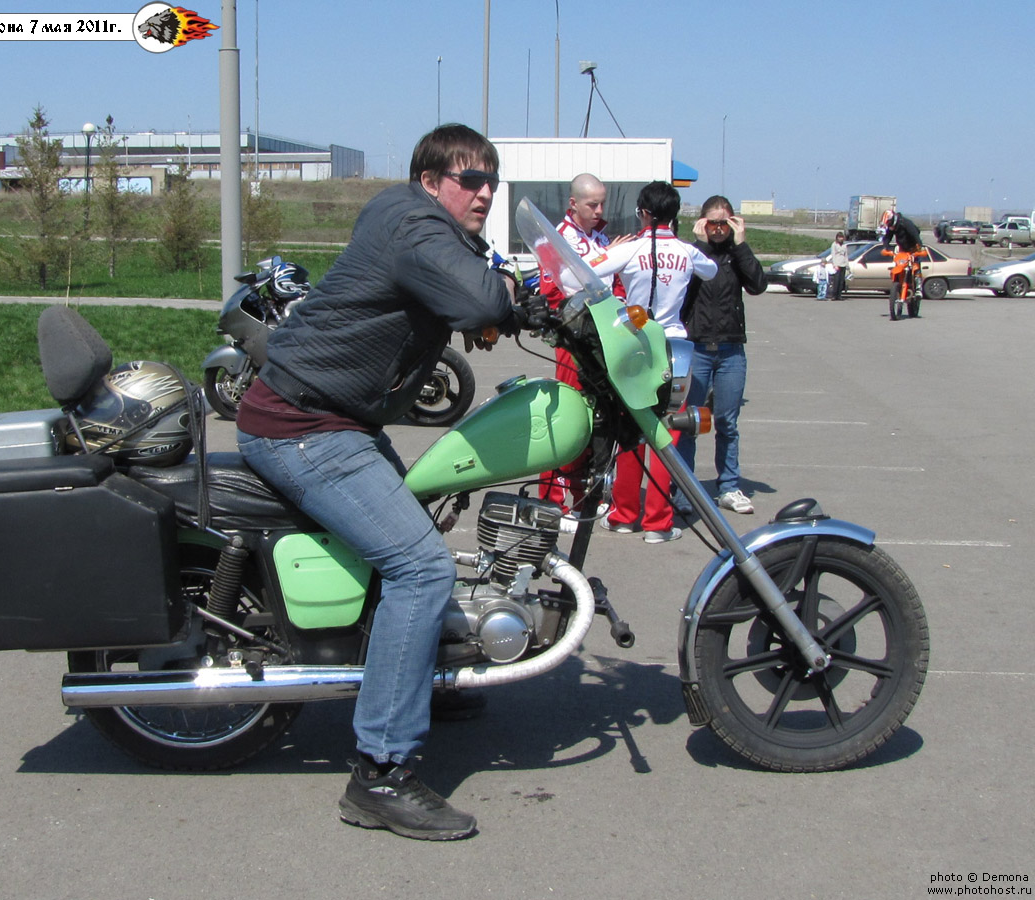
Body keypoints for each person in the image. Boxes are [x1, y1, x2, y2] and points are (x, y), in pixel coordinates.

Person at [235, 124, 524, 841]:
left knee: (416, 535)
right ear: (431, 181)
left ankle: (421, 674)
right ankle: (381, 773)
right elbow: (482, 304)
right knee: (421, 568)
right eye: (469, 178)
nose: (484, 192)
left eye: (491, 180)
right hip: (303, 427)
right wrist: (509, 294)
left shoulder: (422, 223)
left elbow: (470, 291)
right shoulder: (413, 222)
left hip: (335, 419)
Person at [586, 181, 718, 542]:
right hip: (674, 347)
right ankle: (659, 523)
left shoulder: (631, 249)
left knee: (630, 430)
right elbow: (711, 271)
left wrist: (606, 253)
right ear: (674, 214)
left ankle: (624, 514)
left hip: (636, 345)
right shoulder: (687, 252)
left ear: (643, 213)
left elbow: (585, 269)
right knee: (667, 433)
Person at [536, 173, 630, 520]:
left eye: (603, 203)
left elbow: (616, 287)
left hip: (605, 338)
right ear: (573, 203)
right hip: (574, 340)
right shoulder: (555, 239)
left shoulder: (602, 238)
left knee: (600, 420)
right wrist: (605, 258)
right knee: (569, 419)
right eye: (593, 204)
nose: (599, 210)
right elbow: (554, 293)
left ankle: (587, 493)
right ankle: (555, 501)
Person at [677, 195, 768, 516]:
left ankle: (729, 486)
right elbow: (682, 290)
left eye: (724, 223)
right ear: (702, 223)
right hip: (697, 348)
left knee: (727, 422)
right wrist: (700, 246)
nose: (718, 229)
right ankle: (684, 490)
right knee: (690, 422)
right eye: (712, 223)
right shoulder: (692, 254)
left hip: (730, 350)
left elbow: (758, 284)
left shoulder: (735, 255)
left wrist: (741, 245)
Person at [828, 231, 849, 301]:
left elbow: (846, 255)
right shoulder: (834, 244)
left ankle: (839, 295)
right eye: (839, 237)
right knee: (836, 281)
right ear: (837, 238)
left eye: (842, 237)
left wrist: (847, 265)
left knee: (841, 281)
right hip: (837, 264)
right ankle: (834, 295)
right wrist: (835, 265)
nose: (841, 239)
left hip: (843, 264)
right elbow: (833, 255)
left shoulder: (844, 245)